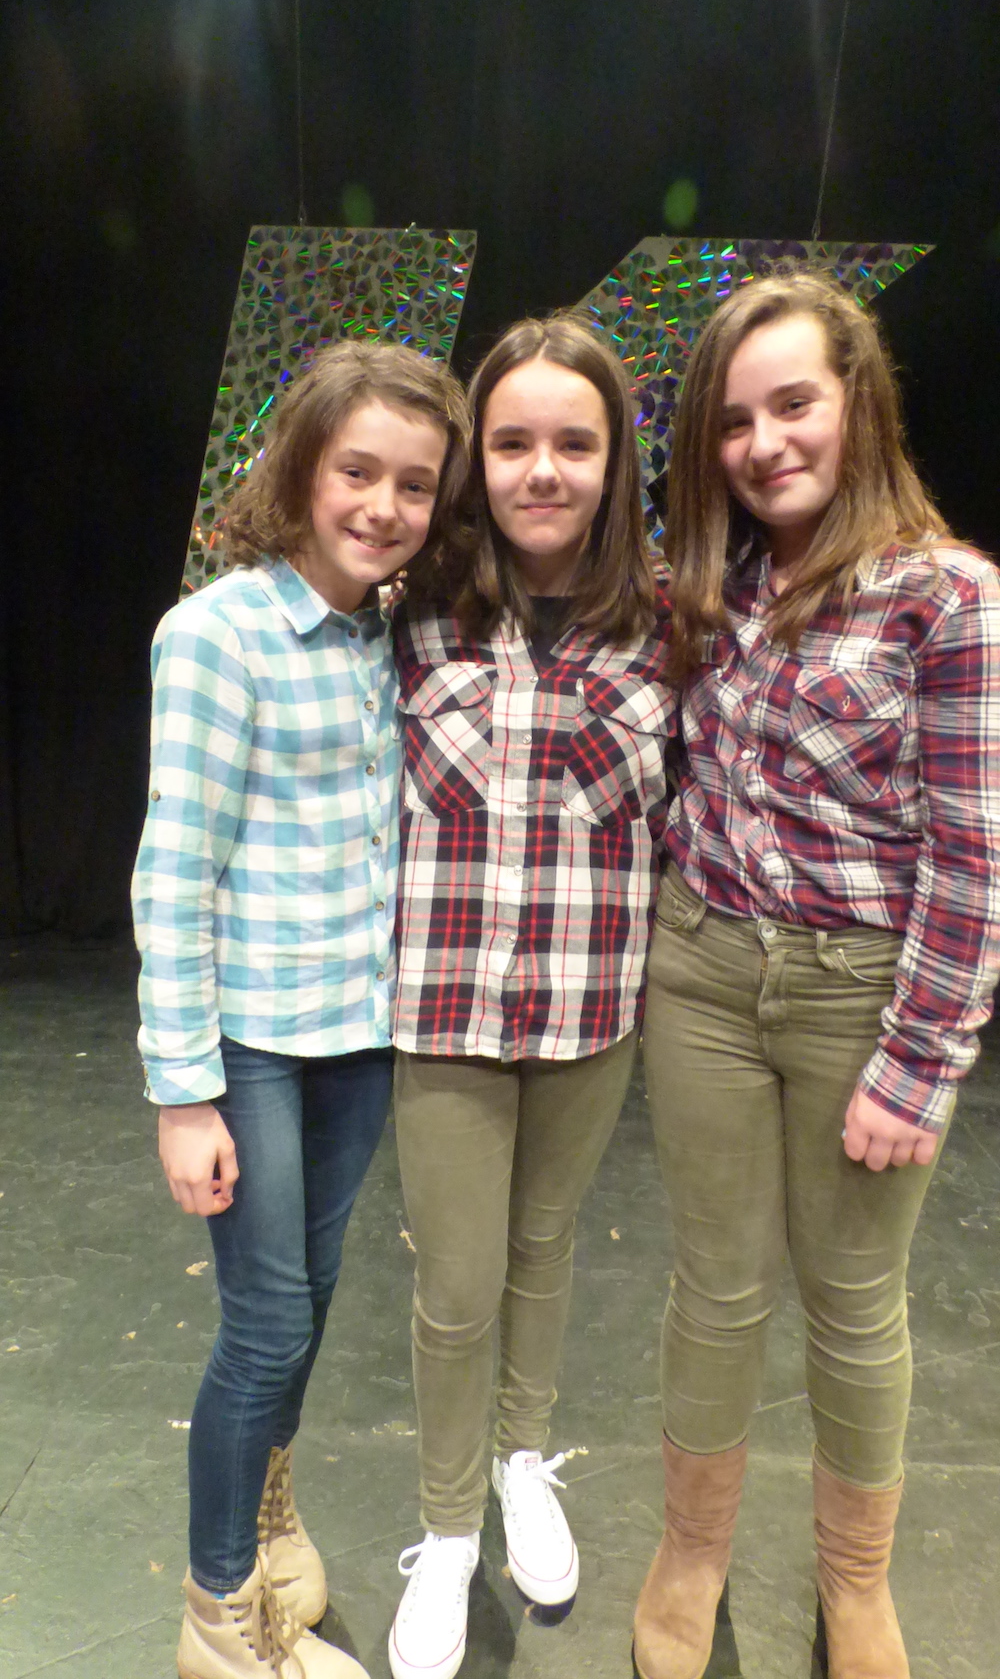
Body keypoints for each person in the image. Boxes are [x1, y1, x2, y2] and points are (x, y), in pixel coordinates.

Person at [632, 272, 1000, 1679]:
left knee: (854, 1300)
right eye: (734, 421)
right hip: (704, 972)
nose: (764, 443)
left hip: (862, 992)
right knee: (714, 1286)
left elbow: (973, 854)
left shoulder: (947, 596)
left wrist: (920, 1060)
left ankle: (856, 1582)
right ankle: (693, 1550)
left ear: (858, 402)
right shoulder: (705, 584)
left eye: (794, 405)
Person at [132, 340, 469, 1679]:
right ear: (301, 470)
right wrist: (184, 1092)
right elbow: (176, 868)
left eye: (413, 484)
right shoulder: (220, 635)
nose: (384, 506)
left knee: (309, 1310)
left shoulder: (387, 633)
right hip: (254, 1045)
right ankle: (220, 1612)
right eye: (356, 472)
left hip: (356, 1037)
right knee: (265, 1326)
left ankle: (270, 1519)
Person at [384, 314, 673, 1679]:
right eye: (511, 442)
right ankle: (447, 1531)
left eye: (574, 442)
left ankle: (521, 1459)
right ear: (474, 459)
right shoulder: (412, 608)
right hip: (442, 1007)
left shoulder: (672, 623)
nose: (542, 469)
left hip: (587, 1008)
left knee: (544, 1247)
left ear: (616, 461)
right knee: (455, 1283)